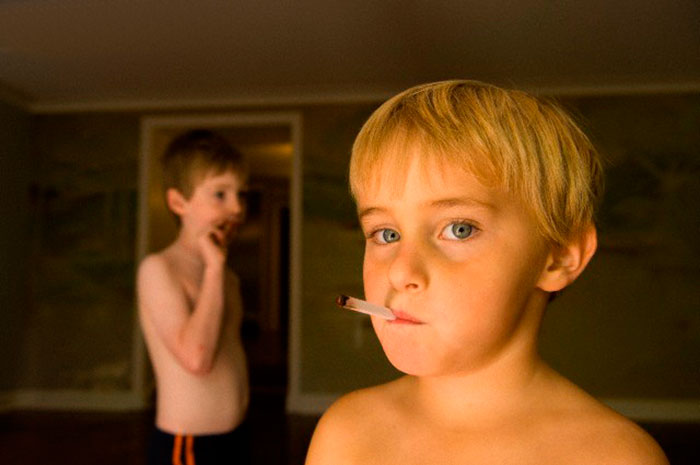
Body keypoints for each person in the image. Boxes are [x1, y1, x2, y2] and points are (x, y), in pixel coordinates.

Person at [305, 81, 668, 465]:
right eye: (386, 234)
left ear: (560, 256)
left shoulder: (616, 457)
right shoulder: (346, 432)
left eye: (459, 229)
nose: (400, 272)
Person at [137, 129, 250, 465]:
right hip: (188, 444)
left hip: (236, 435)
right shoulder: (159, 268)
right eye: (220, 194)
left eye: (240, 194)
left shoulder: (228, 276)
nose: (237, 207)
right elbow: (196, 359)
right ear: (178, 202)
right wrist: (213, 270)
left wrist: (218, 270)